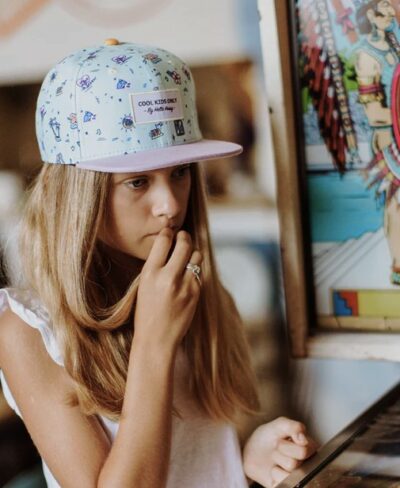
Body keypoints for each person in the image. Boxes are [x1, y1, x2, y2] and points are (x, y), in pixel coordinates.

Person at [0, 39, 317, 487]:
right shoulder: (29, 332)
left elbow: (191, 454)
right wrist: (154, 342)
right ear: (78, 196)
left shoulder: (191, 290)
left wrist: (245, 455)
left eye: (180, 172)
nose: (170, 204)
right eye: (137, 182)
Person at [354, 0, 400, 284]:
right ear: (370, 14)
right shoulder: (366, 56)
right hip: (386, 138)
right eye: (384, 10)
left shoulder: (393, 46)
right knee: (395, 202)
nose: (390, 14)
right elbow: (373, 112)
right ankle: (398, 263)